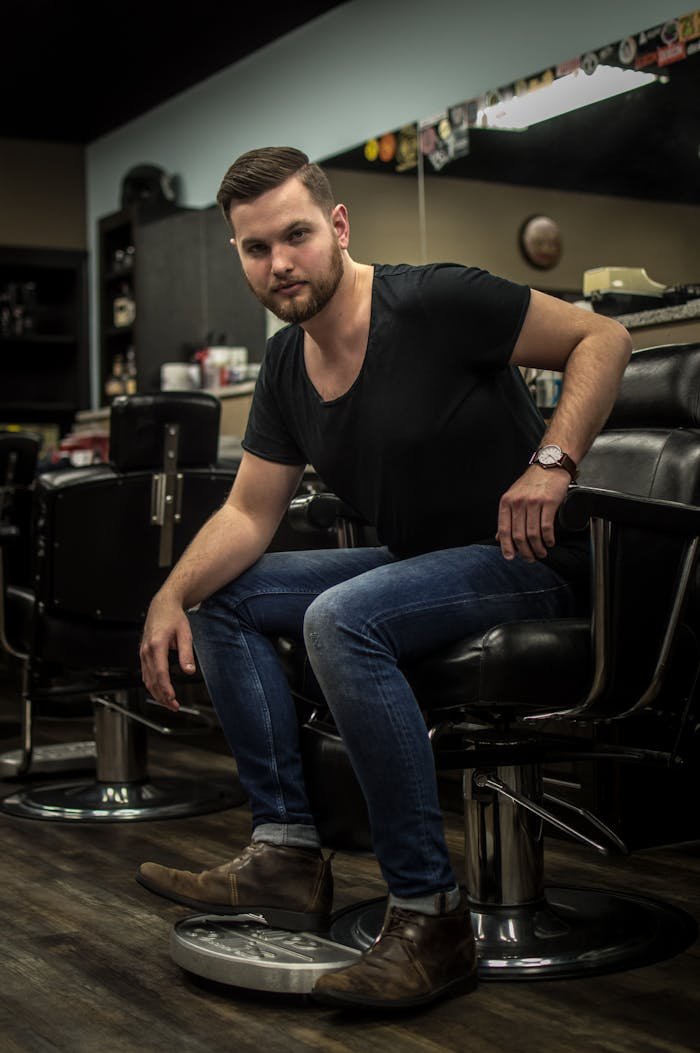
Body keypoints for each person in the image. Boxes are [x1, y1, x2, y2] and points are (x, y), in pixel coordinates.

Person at [137, 147, 632, 1010]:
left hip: (530, 562)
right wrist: (169, 593)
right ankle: (287, 854)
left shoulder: (434, 298)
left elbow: (605, 335)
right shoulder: (287, 368)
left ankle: (430, 915)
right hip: (420, 564)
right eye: (256, 249)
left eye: (295, 236)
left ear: (337, 228)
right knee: (226, 597)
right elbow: (250, 515)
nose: (279, 263)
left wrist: (554, 461)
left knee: (339, 618)